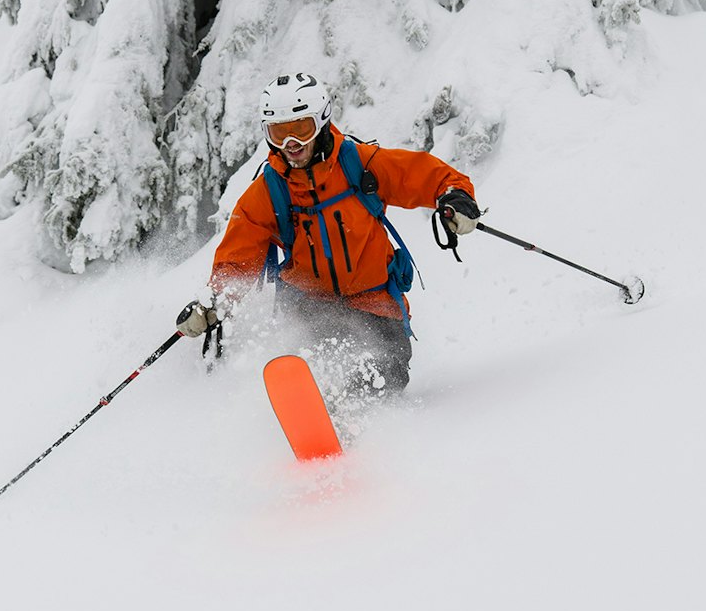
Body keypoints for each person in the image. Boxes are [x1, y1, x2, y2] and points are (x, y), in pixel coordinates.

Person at [176, 72, 482, 396]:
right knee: (317, 366)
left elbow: (420, 174)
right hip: (311, 306)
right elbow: (238, 258)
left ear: (321, 121)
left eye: (300, 130)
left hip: (375, 302)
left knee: (384, 371)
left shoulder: (359, 165)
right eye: (279, 133)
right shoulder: (269, 192)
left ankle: (354, 409)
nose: (290, 144)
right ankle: (321, 406)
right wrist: (215, 301)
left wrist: (455, 196)